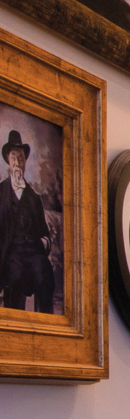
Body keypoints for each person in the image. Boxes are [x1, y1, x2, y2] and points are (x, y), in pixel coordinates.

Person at [0, 130, 56, 314]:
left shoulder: (33, 197)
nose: (17, 163)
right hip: (10, 253)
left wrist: (42, 242)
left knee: (45, 273)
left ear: (25, 164)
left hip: (33, 254)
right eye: (14, 158)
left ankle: (47, 328)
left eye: (21, 159)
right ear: (8, 161)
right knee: (14, 277)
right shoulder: (1, 192)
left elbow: (45, 233)